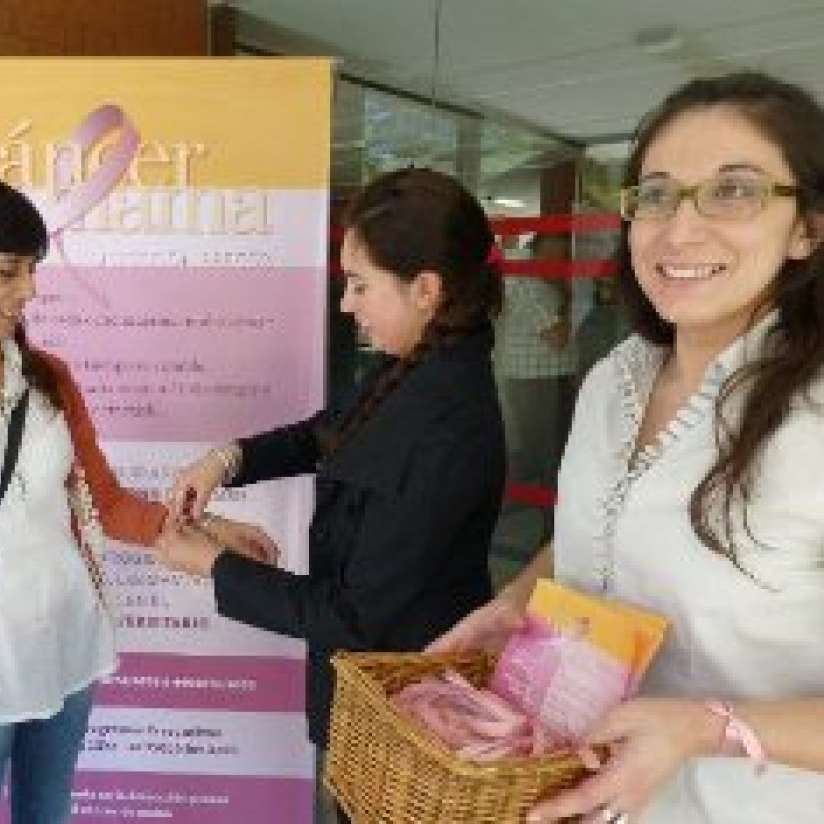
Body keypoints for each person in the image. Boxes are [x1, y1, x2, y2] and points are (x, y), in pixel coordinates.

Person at [429, 72, 824, 824]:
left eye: (734, 191)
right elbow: (600, 525)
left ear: (808, 226)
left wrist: (708, 728)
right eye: (657, 193)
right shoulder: (618, 376)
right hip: (578, 792)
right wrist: (517, 600)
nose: (680, 229)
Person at [0, 170, 271, 823]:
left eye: (32, 270)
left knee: (49, 813)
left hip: (69, 651)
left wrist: (210, 530)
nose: (28, 292)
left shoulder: (48, 379)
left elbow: (107, 502)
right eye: (7, 271)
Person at [155, 167, 507, 823]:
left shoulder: (449, 425)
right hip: (364, 696)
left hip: (404, 711)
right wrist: (228, 459)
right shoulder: (413, 365)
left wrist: (213, 565)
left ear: (426, 290)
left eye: (362, 285)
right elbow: (329, 433)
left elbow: (357, 618)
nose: (348, 305)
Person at [495, 232, 581, 543]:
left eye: (564, 255)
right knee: (548, 459)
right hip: (537, 383)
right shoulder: (526, 286)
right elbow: (557, 339)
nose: (560, 261)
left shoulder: (539, 284)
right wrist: (578, 301)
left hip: (544, 380)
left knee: (539, 455)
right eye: (554, 253)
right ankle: (550, 535)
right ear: (536, 251)